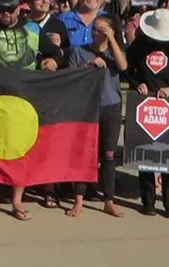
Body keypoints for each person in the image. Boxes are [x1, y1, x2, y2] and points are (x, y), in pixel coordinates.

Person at [0, 0, 62, 220]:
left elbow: (57, 54)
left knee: (21, 150)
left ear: (19, 8)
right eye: (1, 9)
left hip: (25, 101)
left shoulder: (33, 30)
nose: (6, 14)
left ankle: (17, 201)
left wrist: (53, 60)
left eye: (11, 9)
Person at [126, 8, 169, 218]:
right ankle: (148, 202)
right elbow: (127, 70)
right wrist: (137, 84)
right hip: (144, 103)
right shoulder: (138, 46)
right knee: (146, 156)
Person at [65, 16, 128, 218]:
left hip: (111, 106)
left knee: (109, 155)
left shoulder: (113, 52)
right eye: (94, 29)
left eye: (102, 30)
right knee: (84, 154)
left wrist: (111, 39)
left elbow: (123, 66)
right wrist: (89, 65)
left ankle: (109, 200)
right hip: (86, 107)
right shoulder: (79, 51)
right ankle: (78, 200)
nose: (97, 33)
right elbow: (69, 78)